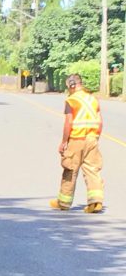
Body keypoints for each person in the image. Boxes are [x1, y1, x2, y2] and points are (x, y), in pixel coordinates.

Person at [50, 73, 104, 213]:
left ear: (72, 85)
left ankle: (63, 202)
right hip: (92, 138)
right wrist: (95, 137)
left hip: (76, 139)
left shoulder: (72, 100)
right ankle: (96, 202)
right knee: (92, 170)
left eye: (68, 87)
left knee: (70, 169)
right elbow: (100, 120)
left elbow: (69, 122)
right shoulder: (93, 99)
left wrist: (63, 142)